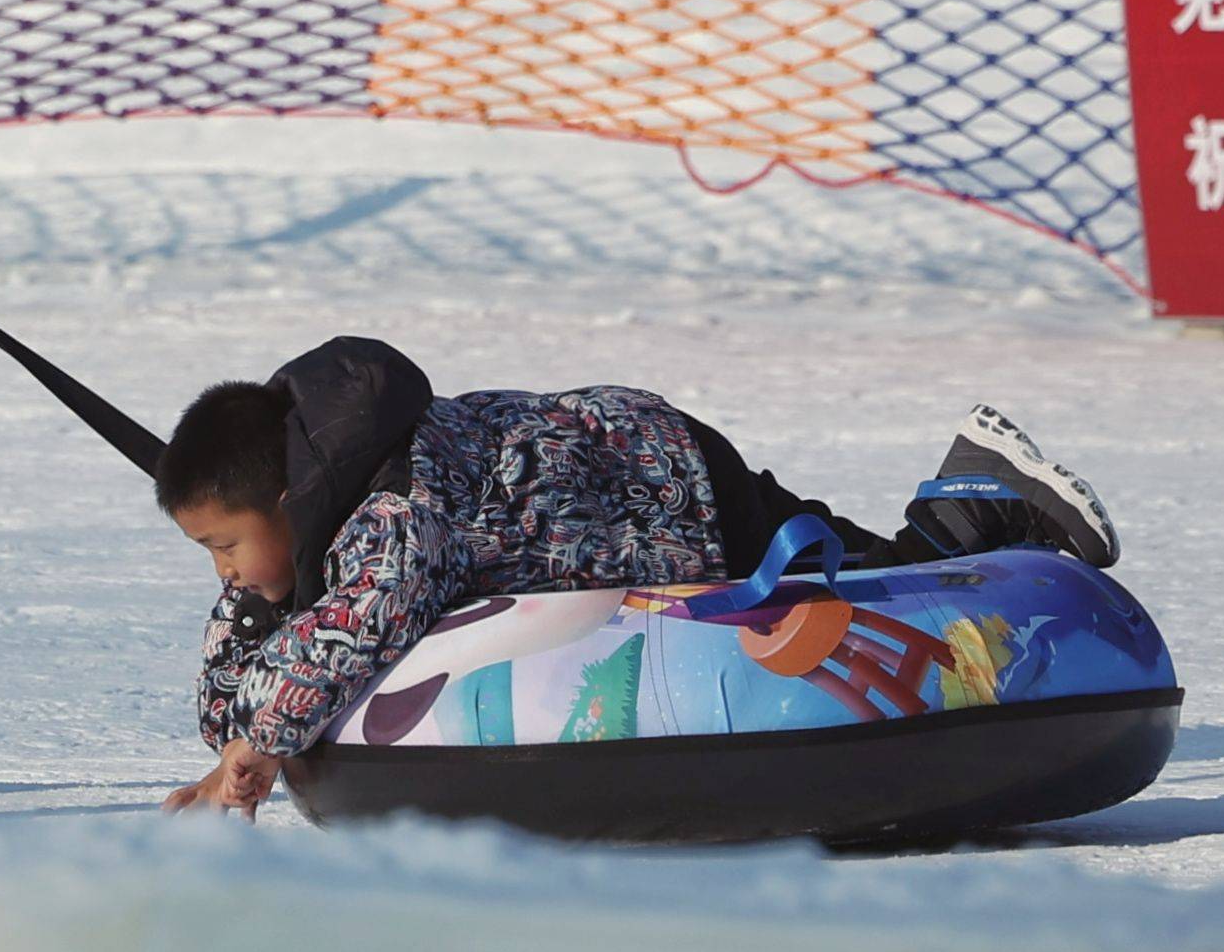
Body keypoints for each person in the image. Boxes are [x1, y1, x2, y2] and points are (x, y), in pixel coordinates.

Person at [154, 337, 1115, 813]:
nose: (226, 573)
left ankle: (982, 499)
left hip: (663, 483)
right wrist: (236, 691)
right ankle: (972, 499)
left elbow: (361, 621)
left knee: (853, 577)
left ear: (286, 502)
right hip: (615, 447)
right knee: (849, 553)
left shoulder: (397, 516)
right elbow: (237, 680)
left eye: (227, 546)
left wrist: (261, 740)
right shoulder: (324, 499)